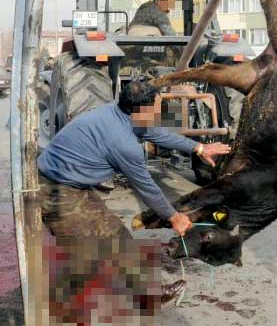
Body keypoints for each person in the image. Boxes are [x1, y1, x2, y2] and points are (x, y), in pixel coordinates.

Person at [38, 81, 230, 301]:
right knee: (82, 248)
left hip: (74, 184)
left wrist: (199, 147)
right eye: (157, 108)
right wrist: (174, 217)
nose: (161, 112)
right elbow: (146, 187)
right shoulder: (123, 143)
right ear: (142, 110)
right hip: (54, 189)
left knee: (116, 234)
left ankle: (146, 293)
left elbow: (155, 133)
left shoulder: (120, 110)